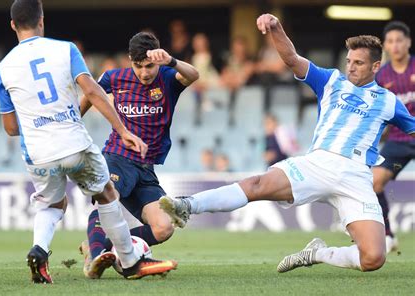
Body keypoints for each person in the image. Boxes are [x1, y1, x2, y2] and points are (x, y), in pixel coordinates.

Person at [160, 13, 415, 274]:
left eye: (359, 63)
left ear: (375, 67)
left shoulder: (389, 101)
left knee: (373, 258)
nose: (350, 67)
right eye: (349, 61)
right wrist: (276, 27)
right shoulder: (331, 81)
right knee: (257, 184)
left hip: (357, 177)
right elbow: (292, 59)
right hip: (318, 164)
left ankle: (318, 253)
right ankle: (187, 205)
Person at [0, 0, 177, 283]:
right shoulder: (65, 49)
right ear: (42, 20)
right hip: (74, 144)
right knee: (106, 193)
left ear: (12, 25)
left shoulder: (2, 67)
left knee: (50, 205)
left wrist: (39, 123)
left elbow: (9, 127)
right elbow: (92, 91)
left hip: (38, 153)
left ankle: (39, 250)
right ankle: (128, 261)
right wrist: (123, 130)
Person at [78, 31, 199, 279]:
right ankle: (97, 255)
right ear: (129, 60)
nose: (145, 73)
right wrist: (73, 124)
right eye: (138, 66)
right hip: (117, 156)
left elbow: (194, 75)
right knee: (107, 201)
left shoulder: (167, 77)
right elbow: (90, 93)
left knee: (164, 227)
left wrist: (171, 61)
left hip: (145, 168)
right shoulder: (115, 78)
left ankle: (101, 247)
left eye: (150, 66)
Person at [373, 21, 415, 253]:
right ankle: (387, 235)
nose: (395, 45)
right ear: (385, 47)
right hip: (398, 140)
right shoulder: (381, 77)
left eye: (399, 40)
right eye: (390, 41)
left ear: (408, 42)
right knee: (374, 182)